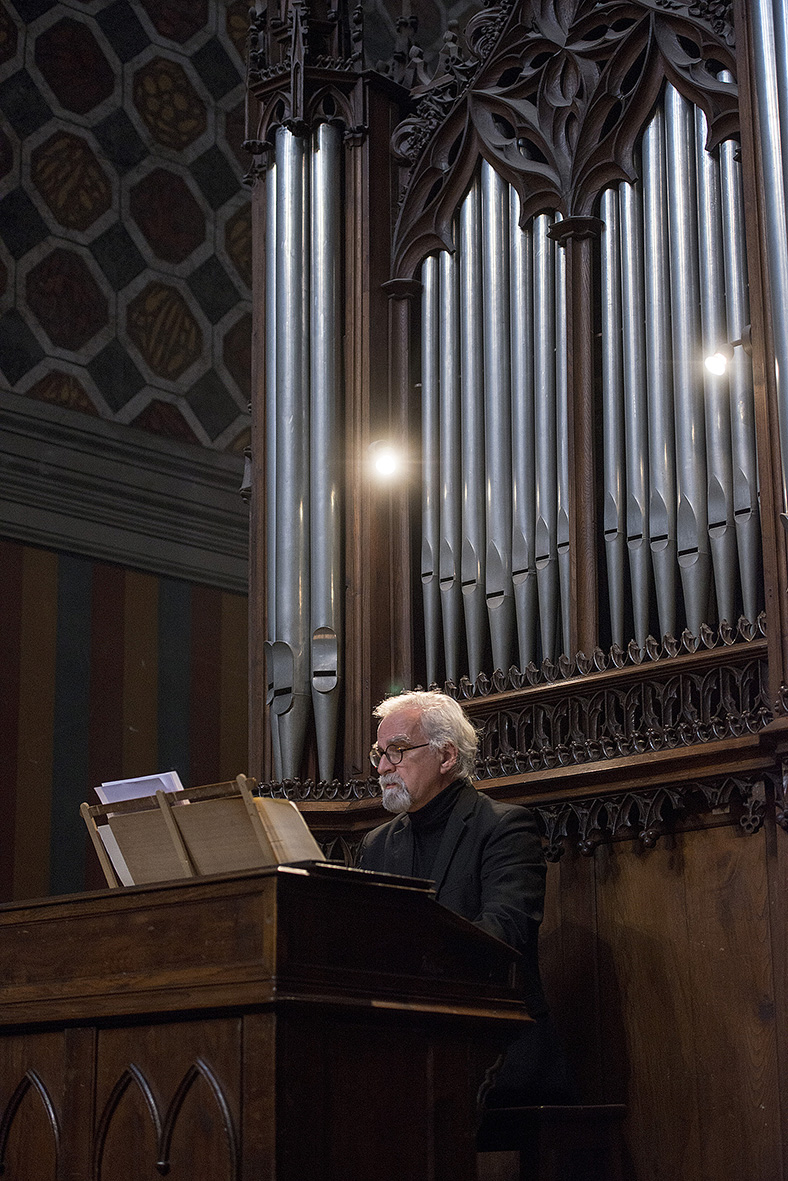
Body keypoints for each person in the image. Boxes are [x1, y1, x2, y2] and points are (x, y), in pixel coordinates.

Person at [358, 688, 576, 1106]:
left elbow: (504, 934)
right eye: (379, 753)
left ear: (447, 757)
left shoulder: (504, 827)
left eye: (398, 751)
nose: (384, 766)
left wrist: (412, 956)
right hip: (410, 1037)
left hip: (498, 1043)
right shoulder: (377, 844)